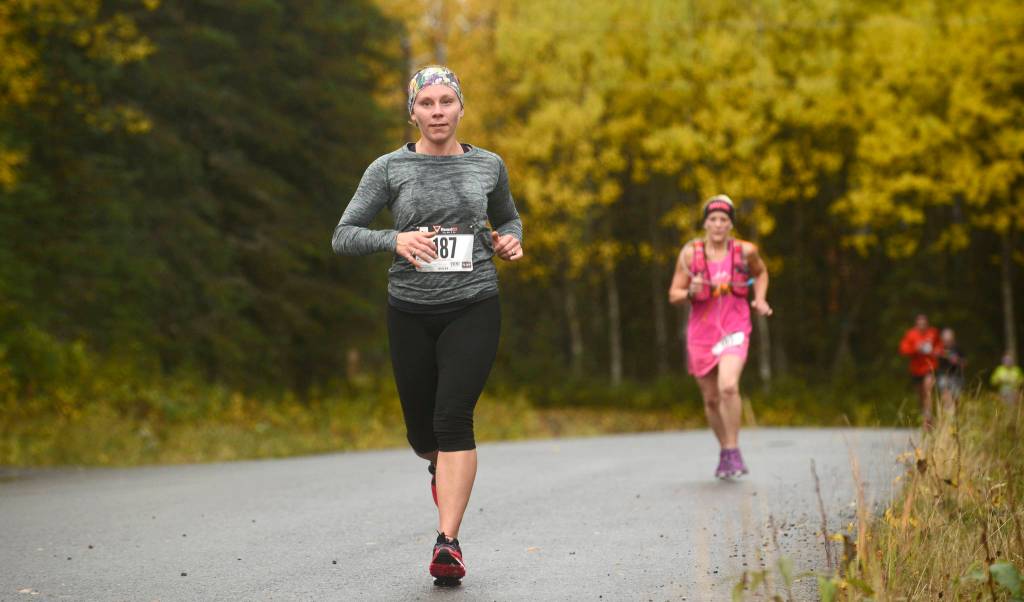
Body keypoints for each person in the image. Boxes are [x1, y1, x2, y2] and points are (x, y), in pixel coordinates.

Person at [331, 65, 523, 585]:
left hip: (474, 303)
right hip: (410, 310)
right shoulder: (388, 169)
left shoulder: (489, 165)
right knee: (423, 435)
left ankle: (448, 543)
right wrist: (393, 239)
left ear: (461, 107)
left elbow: (507, 218)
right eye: (427, 104)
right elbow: (343, 235)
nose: (437, 112)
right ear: (412, 111)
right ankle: (440, 468)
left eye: (446, 102)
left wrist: (510, 241)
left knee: (454, 418)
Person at [668, 194, 772, 479]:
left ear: (731, 224)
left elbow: (761, 273)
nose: (717, 225)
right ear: (705, 223)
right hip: (701, 332)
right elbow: (673, 294)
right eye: (712, 219)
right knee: (712, 398)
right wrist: (691, 290)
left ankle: (735, 448)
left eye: (723, 220)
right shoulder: (691, 254)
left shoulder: (745, 251)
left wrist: (760, 299)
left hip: (735, 327)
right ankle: (725, 449)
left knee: (728, 386)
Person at [898, 314, 943, 429]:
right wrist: (916, 348)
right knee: (921, 395)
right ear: (916, 324)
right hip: (916, 369)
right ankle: (924, 415)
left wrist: (937, 351)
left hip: (930, 367)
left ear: (927, 323)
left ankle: (928, 420)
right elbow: (903, 349)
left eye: (924, 323)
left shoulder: (933, 332)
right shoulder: (911, 334)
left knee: (928, 390)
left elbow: (940, 346)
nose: (922, 325)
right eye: (920, 323)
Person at [936, 328, 966, 408]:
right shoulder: (939, 349)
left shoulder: (958, 349)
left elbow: (964, 363)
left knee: (956, 400)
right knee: (946, 396)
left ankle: (955, 415)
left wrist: (957, 360)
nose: (947, 342)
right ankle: (948, 415)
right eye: (945, 340)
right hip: (943, 376)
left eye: (949, 340)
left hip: (957, 377)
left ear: (953, 338)